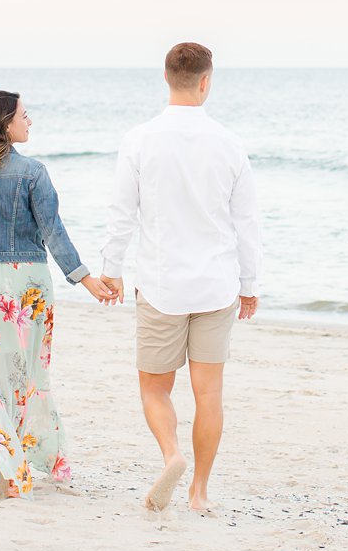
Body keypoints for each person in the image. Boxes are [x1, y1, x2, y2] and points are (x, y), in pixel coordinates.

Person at [98, 42, 263, 512]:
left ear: (167, 78)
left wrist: (111, 269)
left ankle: (172, 455)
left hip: (160, 284)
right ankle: (200, 493)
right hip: (216, 286)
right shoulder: (230, 144)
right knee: (209, 392)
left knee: (155, 387)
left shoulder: (140, 139)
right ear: (206, 81)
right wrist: (249, 285)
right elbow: (247, 223)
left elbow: (121, 213)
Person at [0, 90, 113, 498]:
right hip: (28, 285)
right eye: (25, 116)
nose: (30, 122)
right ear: (5, 123)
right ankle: (37, 458)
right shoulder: (33, 172)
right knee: (29, 374)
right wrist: (84, 277)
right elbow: (53, 232)